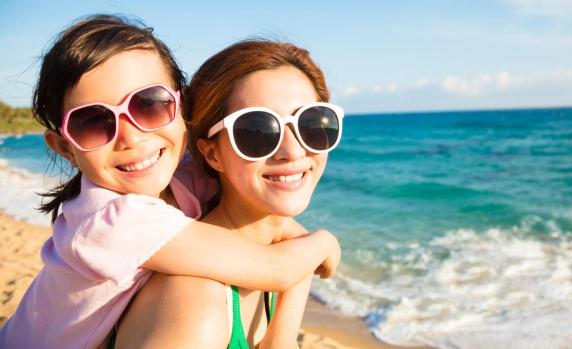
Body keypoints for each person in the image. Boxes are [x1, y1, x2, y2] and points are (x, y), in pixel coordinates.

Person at [0, 15, 340, 349]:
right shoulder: (112, 222)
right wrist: (323, 242)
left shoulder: (184, 178)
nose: (130, 138)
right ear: (65, 148)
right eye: (93, 122)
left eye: (149, 105)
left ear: (180, 107)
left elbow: (283, 232)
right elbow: (278, 268)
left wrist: (281, 332)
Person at [115, 39, 344, 348]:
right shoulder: (196, 305)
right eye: (256, 131)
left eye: (312, 122)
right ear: (212, 154)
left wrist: (306, 255)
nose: (293, 150)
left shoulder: (287, 256)